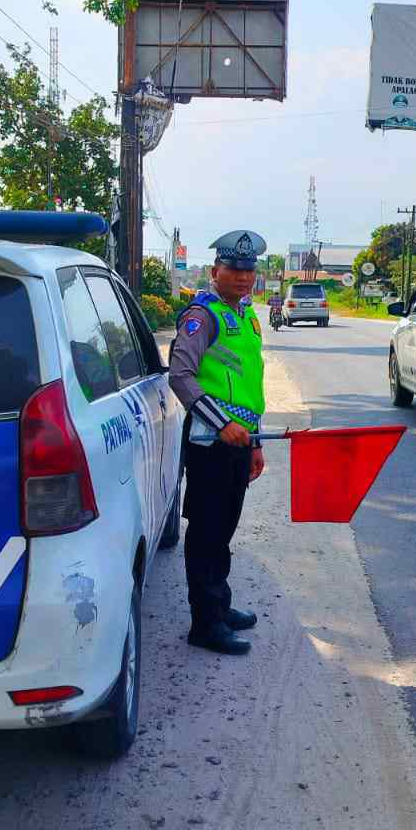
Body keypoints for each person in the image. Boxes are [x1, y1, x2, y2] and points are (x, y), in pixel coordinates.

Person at [167, 229, 268, 656]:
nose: (243, 277)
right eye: (234, 269)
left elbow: (249, 385)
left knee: (223, 531)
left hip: (239, 442)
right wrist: (223, 423)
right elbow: (180, 376)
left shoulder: (245, 316)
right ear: (216, 271)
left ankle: (219, 606)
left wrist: (255, 442)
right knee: (206, 533)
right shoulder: (201, 316)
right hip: (211, 444)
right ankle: (204, 624)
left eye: (249, 270)